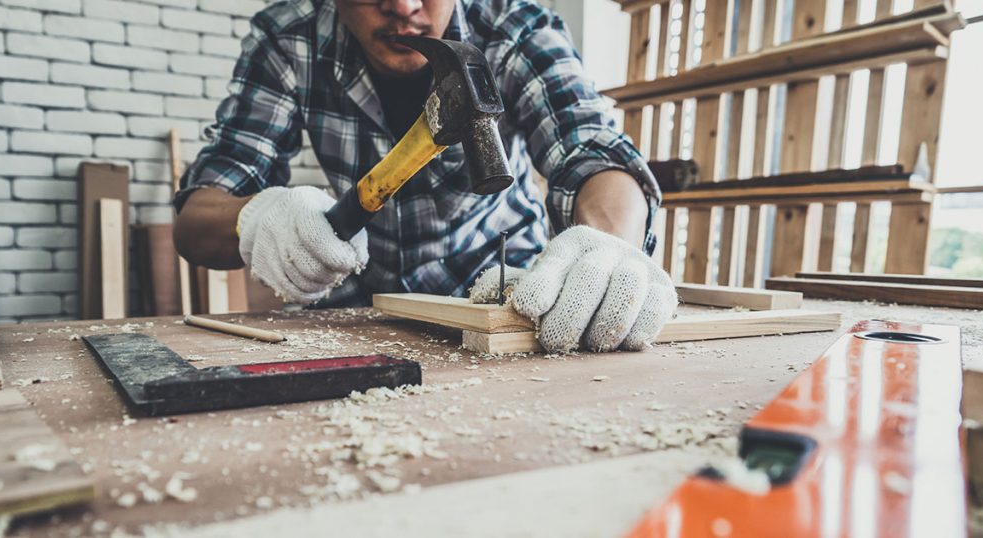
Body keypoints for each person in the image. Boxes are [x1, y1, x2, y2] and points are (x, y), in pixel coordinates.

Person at [173, 0, 677, 352]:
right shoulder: (287, 39)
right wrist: (255, 217)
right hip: (362, 302)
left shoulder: (514, 26)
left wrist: (609, 247)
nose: (403, 5)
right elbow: (197, 220)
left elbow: (593, 151)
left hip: (506, 294)